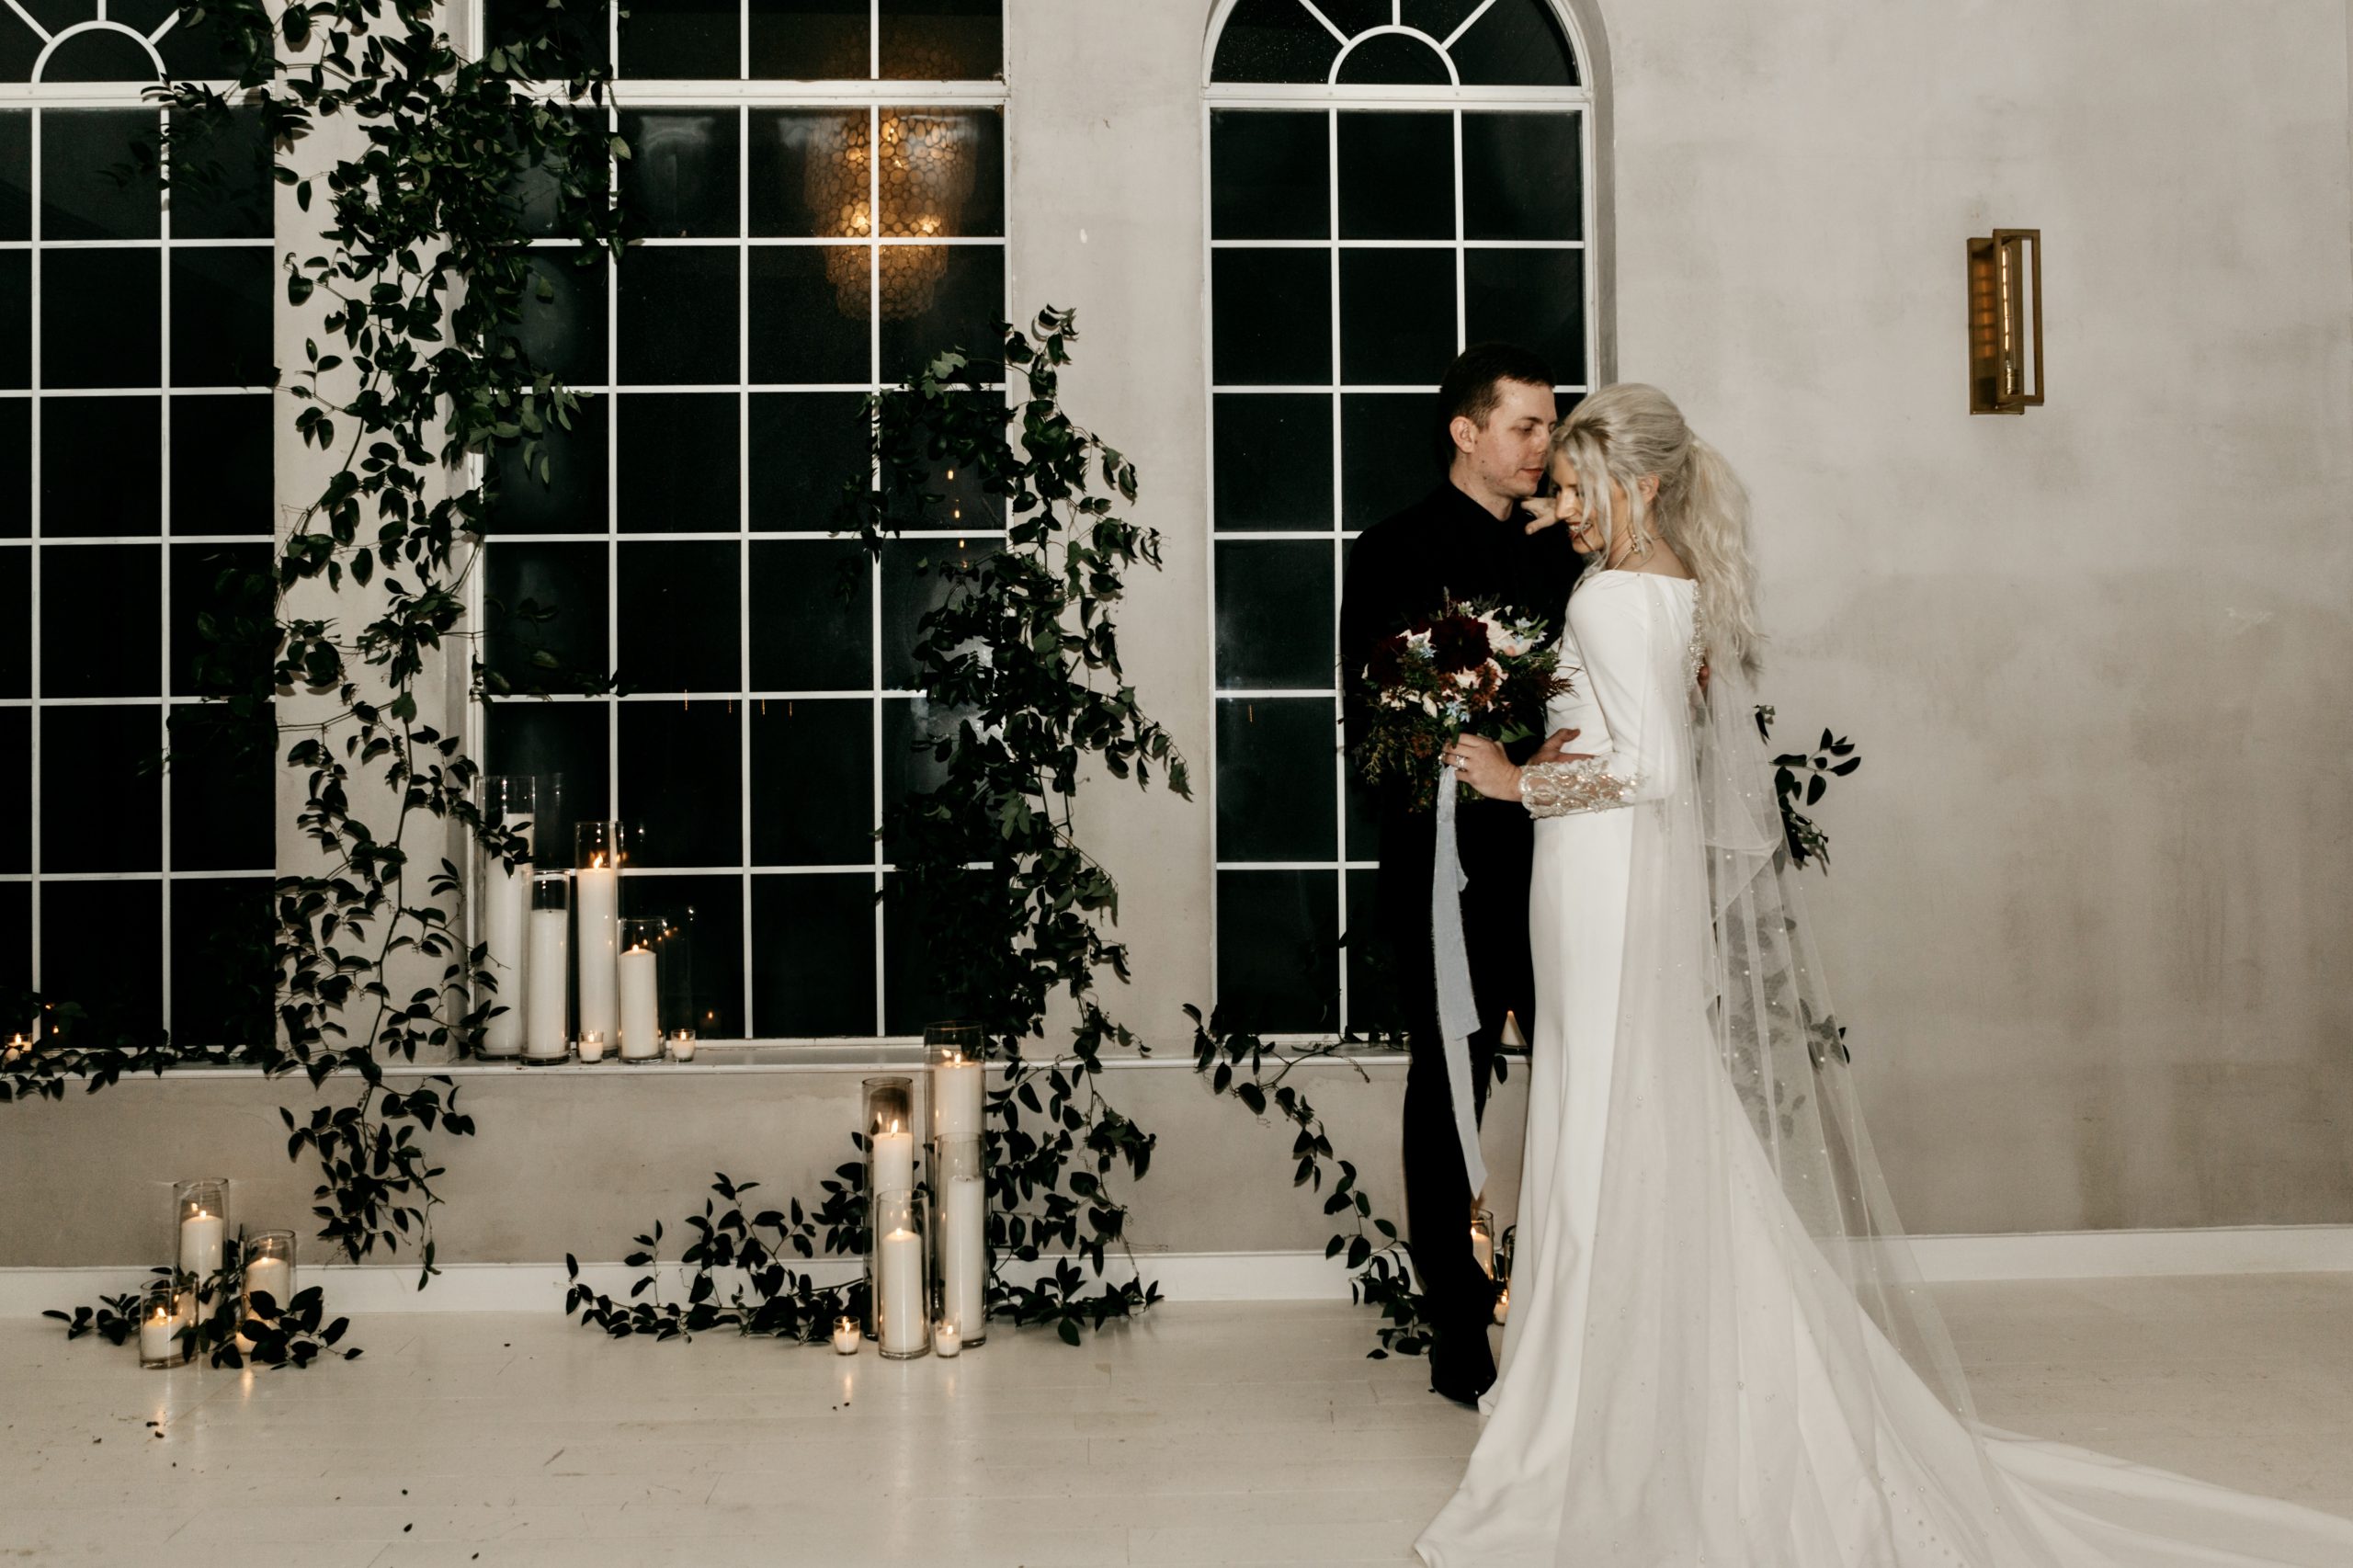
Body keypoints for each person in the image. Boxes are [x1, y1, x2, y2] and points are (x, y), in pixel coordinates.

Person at [1415, 382, 2353, 1565]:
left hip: (1599, 879)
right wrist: (1561, 739)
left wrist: (1516, 781)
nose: (1567, 503)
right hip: (1614, 884)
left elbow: (1647, 769)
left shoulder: (1609, 596)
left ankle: (1597, 1416)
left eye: (1585, 484)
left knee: (1603, 1119)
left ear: (1640, 485)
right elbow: (1634, 737)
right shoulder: (1671, 590)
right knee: (1634, 1116)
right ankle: (1626, 1390)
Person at [1337, 343, 1582, 1406]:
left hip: (1574, 864)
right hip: (1451, 875)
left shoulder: (1571, 550)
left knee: (1588, 1081)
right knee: (1448, 1094)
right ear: (1465, 430)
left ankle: (1582, 1308)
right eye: (1526, 425)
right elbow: (1373, 725)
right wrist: (1459, 787)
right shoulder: (1391, 549)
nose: (1543, 445)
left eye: (1551, 426)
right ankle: (1456, 1330)